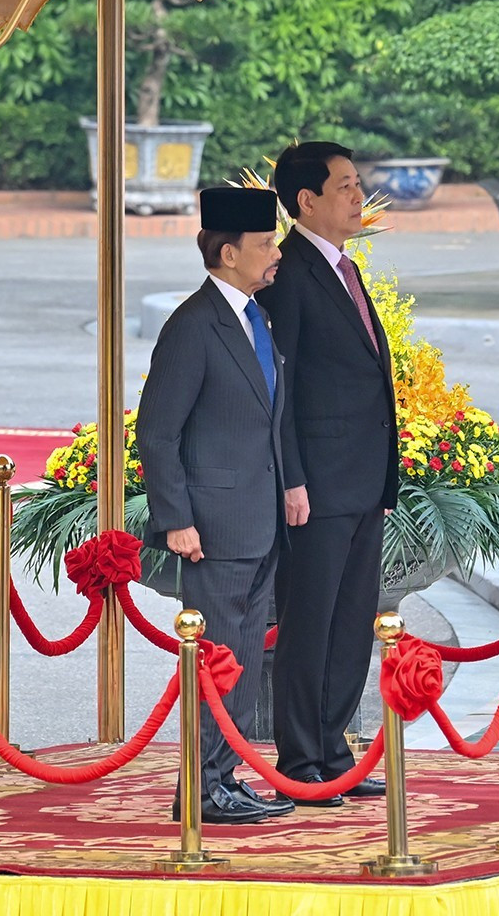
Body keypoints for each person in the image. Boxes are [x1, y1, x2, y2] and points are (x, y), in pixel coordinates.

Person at [134, 186, 297, 825]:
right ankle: (202, 790)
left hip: (258, 523)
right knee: (219, 659)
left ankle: (223, 778)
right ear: (228, 253)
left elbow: (266, 419)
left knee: (244, 655)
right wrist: (175, 519)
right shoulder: (193, 325)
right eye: (264, 245)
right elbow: (157, 430)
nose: (275, 254)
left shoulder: (255, 317)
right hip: (213, 527)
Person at [260, 141, 394, 803]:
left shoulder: (344, 267)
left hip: (363, 481)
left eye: (358, 183)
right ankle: (300, 758)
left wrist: (388, 480)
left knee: (351, 620)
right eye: (343, 186)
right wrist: (292, 479)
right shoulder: (289, 273)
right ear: (305, 200)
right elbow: (279, 385)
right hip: (315, 485)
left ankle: (333, 748)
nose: (356, 195)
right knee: (309, 621)